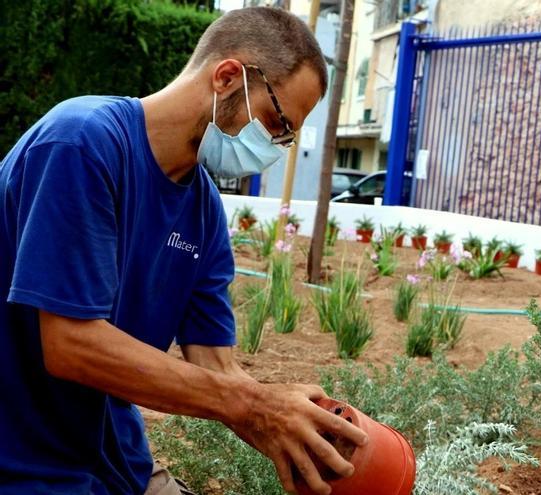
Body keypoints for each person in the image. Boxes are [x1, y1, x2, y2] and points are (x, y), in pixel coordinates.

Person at [0, 7, 367, 495]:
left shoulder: (204, 212)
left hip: (115, 463)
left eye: (287, 136)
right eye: (277, 121)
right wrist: (255, 405)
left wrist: (293, 423)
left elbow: (215, 367)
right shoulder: (82, 143)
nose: (277, 146)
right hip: (22, 463)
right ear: (227, 77)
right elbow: (71, 344)